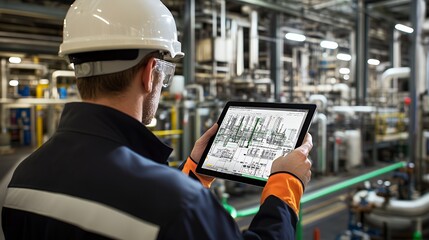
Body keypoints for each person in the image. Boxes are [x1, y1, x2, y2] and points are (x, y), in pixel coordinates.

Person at [1, 0, 313, 239]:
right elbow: (166, 207)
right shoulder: (182, 205)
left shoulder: (23, 176)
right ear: (151, 73)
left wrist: (193, 171)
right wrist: (287, 182)